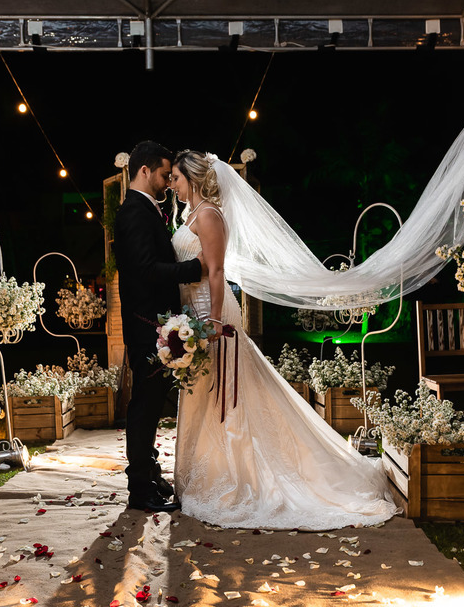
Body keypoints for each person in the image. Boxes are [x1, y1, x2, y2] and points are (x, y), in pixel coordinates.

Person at [166, 150, 398, 529]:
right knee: (202, 399)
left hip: (213, 315)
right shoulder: (189, 215)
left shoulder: (209, 215)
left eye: (175, 177)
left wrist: (210, 323)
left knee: (227, 398)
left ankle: (235, 477)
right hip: (191, 313)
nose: (172, 184)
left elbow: (218, 271)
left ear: (190, 177)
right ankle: (204, 472)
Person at [113, 140, 207, 513]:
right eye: (166, 174)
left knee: (150, 406)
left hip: (154, 323)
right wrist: (195, 268)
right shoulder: (134, 211)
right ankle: (140, 490)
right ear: (145, 171)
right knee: (144, 406)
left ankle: (149, 474)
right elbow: (145, 270)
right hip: (144, 325)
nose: (169, 182)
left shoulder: (146, 209)